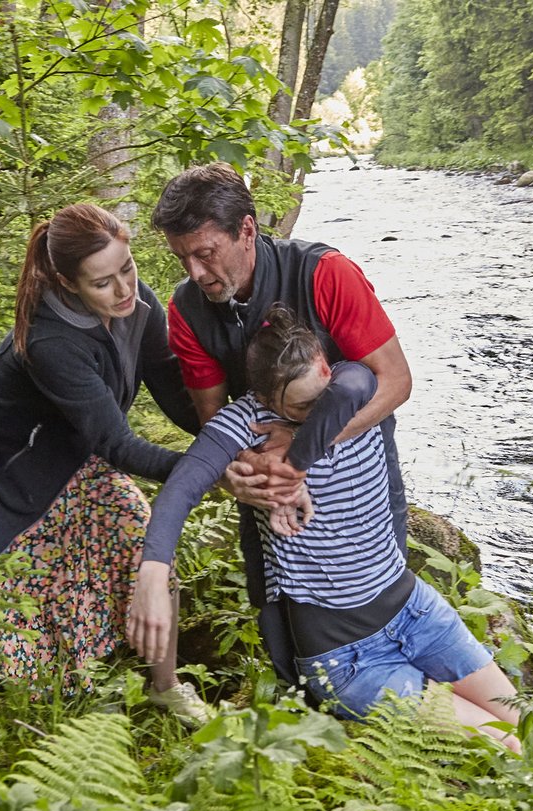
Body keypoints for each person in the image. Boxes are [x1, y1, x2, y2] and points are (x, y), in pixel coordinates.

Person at [126, 306, 533, 783]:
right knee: (507, 742)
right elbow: (180, 490)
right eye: (300, 409)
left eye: (321, 394)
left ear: (326, 367)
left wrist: (297, 457)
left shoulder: (352, 384)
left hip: (416, 612)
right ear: (266, 398)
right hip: (347, 658)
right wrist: (152, 572)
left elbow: (348, 390)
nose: (318, 412)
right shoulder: (241, 425)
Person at [0, 203, 210, 723]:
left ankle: (165, 688)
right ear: (66, 280)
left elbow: (171, 385)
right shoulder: (51, 340)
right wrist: (208, 473)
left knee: (144, 541)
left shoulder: (138, 304)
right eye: (103, 282)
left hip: (73, 460)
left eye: (127, 268)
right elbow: (119, 446)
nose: (124, 289)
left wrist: (229, 438)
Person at [149, 163, 412, 684]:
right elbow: (213, 419)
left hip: (361, 477)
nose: (196, 274)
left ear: (246, 230)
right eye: (183, 259)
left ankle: (390, 725)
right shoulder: (186, 309)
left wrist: (305, 447)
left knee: (379, 605)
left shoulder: (325, 273)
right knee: (281, 624)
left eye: (205, 254)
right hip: (270, 485)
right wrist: (240, 474)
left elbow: (395, 382)